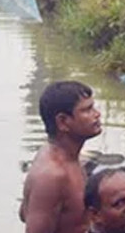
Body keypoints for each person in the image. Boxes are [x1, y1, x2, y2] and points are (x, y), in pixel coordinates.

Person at [21, 81, 103, 233]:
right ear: (63, 122)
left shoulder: (66, 157)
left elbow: (24, 212)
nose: (97, 114)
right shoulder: (52, 176)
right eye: (87, 110)